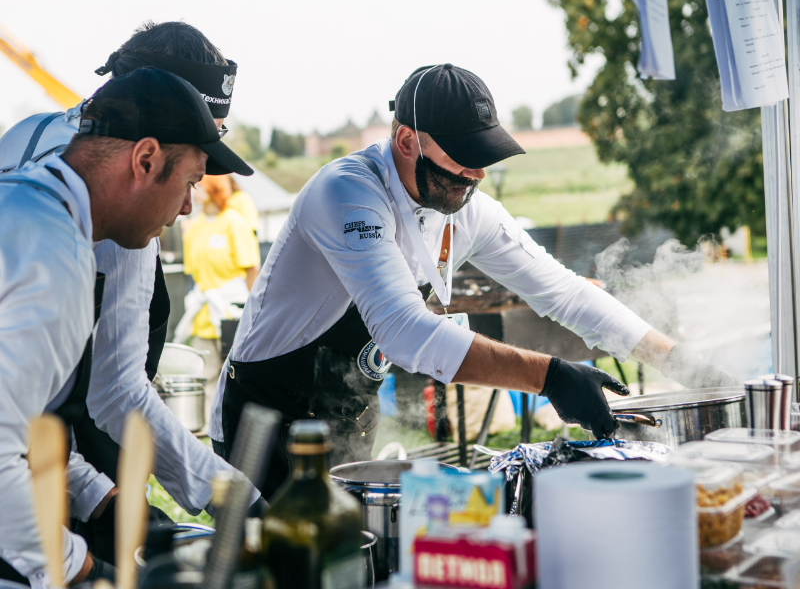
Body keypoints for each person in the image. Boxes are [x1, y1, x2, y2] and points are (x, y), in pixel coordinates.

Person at [209, 64, 737, 499]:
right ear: (407, 140)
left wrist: (687, 365)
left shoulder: (464, 205)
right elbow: (403, 332)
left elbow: (566, 292)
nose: (477, 175)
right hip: (266, 420)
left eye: (486, 158)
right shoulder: (347, 192)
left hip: (349, 416)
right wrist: (549, 376)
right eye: (464, 158)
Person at [0, 21, 262, 563]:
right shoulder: (91, 225)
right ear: (147, 153)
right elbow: (113, 389)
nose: (188, 205)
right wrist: (77, 566)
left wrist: (98, 496)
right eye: (193, 170)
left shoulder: (28, 142)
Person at [177, 174, 260, 417]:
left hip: (232, 314)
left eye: (199, 184)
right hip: (204, 316)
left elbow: (252, 268)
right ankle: (204, 434)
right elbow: (193, 273)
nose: (194, 188)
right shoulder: (194, 228)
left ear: (214, 189)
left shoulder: (235, 222)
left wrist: (253, 313)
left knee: (235, 380)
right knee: (205, 377)